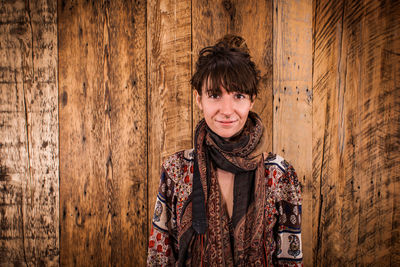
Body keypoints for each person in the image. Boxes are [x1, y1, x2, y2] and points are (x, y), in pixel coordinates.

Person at [147, 35, 303, 266]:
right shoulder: (176, 170)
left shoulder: (279, 174)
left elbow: (290, 261)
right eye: (214, 95)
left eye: (238, 96)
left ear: (251, 100)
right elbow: (160, 257)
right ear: (199, 99)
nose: (227, 110)